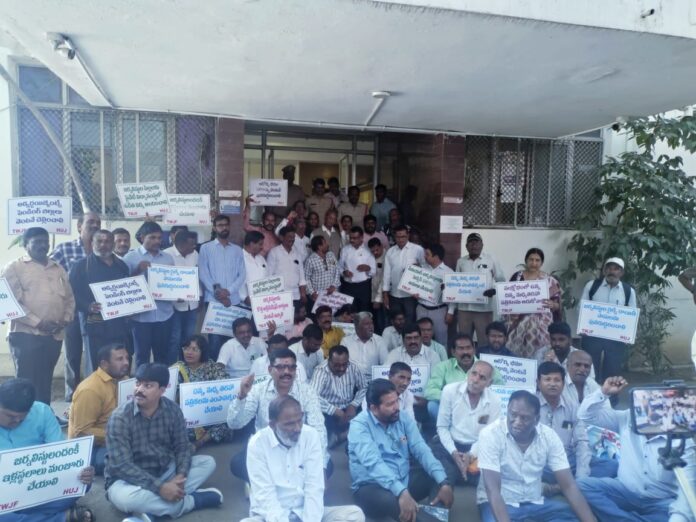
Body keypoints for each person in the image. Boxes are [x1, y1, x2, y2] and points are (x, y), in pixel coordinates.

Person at [105, 363, 221, 520]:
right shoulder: (120, 418)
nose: (139, 390)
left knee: (208, 463)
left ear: (162, 390)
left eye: (148, 386)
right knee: (127, 499)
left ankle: (153, 510)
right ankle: (191, 501)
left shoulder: (172, 410)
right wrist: (160, 488)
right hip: (128, 481)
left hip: (165, 472)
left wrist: (180, 476)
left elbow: (182, 447)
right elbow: (122, 466)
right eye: (137, 383)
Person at [577, 376, 696, 521]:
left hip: (661, 502)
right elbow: (585, 416)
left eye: (656, 406)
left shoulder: (682, 440)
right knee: (583, 486)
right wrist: (604, 392)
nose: (649, 411)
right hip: (625, 491)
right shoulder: (628, 417)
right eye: (642, 404)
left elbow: (687, 492)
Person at [477, 390, 597, 522]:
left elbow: (568, 485)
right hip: (502, 504)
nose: (517, 422)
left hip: (536, 503)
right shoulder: (491, 434)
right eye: (513, 415)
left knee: (573, 518)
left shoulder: (549, 436)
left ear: (537, 419)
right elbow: (493, 489)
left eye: (524, 418)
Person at [242, 396, 365, 522]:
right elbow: (265, 496)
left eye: (299, 420)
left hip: (303, 512)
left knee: (354, 514)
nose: (297, 428)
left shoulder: (310, 435)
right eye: (289, 424)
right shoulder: (257, 444)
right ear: (273, 425)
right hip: (271, 517)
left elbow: (314, 487)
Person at [348, 379, 454, 522]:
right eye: (389, 404)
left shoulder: (402, 417)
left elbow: (421, 449)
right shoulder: (359, 426)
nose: (396, 407)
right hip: (372, 487)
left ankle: (436, 514)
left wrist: (443, 482)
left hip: (403, 479)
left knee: (443, 472)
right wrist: (401, 492)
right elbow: (374, 463)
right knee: (392, 501)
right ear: (374, 408)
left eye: (396, 401)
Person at [0, 379, 95, 522]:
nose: (17, 421)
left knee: (82, 483)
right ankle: (62, 518)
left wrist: (82, 471)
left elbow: (61, 457)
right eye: (10, 416)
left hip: (39, 487)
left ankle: (32, 518)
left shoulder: (42, 412)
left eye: (23, 417)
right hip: (4, 495)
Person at [227, 348, 329, 482]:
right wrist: (242, 396)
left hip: (296, 445)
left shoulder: (307, 391)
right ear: (270, 370)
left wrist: (321, 466)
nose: (287, 372)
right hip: (267, 448)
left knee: (327, 467)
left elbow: (318, 427)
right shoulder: (258, 390)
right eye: (280, 367)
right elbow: (234, 424)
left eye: (291, 368)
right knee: (238, 464)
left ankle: (277, 481)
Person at [2, 227, 75, 406]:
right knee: (26, 383)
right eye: (37, 242)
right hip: (25, 335)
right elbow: (12, 303)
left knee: (45, 380)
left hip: (54, 334)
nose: (43, 245)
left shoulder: (58, 268)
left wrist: (65, 320)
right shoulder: (14, 268)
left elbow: (70, 299)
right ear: (26, 245)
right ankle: (23, 416)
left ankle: (43, 415)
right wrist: (38, 323)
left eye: (45, 242)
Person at [536, 362, 617, 493]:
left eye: (557, 380)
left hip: (567, 462)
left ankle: (561, 487)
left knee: (612, 466)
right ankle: (570, 487)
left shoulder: (573, 407)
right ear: (538, 383)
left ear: (563, 384)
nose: (552, 384)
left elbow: (582, 441)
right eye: (547, 379)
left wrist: (581, 476)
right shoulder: (530, 405)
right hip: (541, 463)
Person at [50, 211, 101, 402]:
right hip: (72, 310)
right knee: (72, 354)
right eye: (90, 222)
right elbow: (48, 271)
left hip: (95, 311)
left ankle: (90, 394)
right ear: (79, 226)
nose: (95, 225)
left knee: (93, 352)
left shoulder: (102, 250)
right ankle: (72, 396)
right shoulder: (65, 249)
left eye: (98, 222)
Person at [69, 229, 130, 371]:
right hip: (94, 324)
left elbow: (128, 292)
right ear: (92, 243)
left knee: (118, 364)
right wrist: (87, 306)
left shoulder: (121, 266)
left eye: (107, 241)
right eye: (99, 241)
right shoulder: (81, 266)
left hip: (118, 324)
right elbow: (71, 294)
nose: (103, 245)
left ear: (113, 244)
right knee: (95, 364)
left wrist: (131, 306)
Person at [431, 361, 500, 486]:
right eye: (474, 373)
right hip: (451, 444)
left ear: (489, 383)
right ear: (468, 374)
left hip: (478, 448)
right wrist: (453, 453)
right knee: (445, 474)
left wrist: (471, 455)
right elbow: (442, 427)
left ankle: (462, 472)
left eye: (482, 378)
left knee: (491, 476)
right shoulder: (450, 391)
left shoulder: (495, 400)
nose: (475, 380)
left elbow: (489, 436)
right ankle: (458, 473)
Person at [69, 343, 130, 475]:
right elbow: (82, 432)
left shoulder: (124, 379)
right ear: (104, 364)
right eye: (120, 359)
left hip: (117, 439)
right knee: (131, 458)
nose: (126, 362)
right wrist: (119, 436)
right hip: (90, 449)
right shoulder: (90, 389)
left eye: (126, 358)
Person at [123, 221, 176, 367]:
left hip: (164, 315)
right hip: (141, 318)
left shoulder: (168, 258)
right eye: (152, 237)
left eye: (159, 238)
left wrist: (178, 293)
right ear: (142, 237)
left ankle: (161, 381)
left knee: (162, 355)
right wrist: (137, 270)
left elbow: (173, 283)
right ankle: (142, 382)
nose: (157, 241)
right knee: (142, 356)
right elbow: (122, 286)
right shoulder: (130, 257)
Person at [580, 257, 637, 383]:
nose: (612, 272)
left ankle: (610, 394)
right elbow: (582, 308)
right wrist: (583, 327)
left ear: (621, 272)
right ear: (604, 271)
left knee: (613, 369)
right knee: (590, 367)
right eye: (609, 268)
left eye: (616, 269)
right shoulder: (592, 286)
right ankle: (590, 392)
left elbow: (631, 313)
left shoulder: (628, 291)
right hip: (592, 334)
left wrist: (627, 335)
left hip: (616, 337)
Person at [199, 214, 247, 359]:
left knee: (233, 340)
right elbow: (203, 274)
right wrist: (219, 294)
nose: (224, 227)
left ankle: (231, 369)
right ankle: (216, 370)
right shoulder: (206, 248)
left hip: (233, 301)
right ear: (214, 228)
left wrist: (229, 291)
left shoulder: (237, 250)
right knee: (215, 341)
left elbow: (242, 275)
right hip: (214, 302)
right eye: (220, 225)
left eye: (226, 224)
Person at [176, 335, 231, 450]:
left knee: (228, 422)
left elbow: (225, 388)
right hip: (186, 416)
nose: (189, 352)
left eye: (194, 349)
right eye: (186, 348)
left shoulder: (212, 367)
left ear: (203, 351)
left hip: (208, 414)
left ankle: (199, 442)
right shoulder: (177, 368)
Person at [505, 248, 563, 358]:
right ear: (526, 260)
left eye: (537, 260)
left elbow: (557, 305)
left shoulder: (549, 280)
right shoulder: (517, 277)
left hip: (541, 324)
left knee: (540, 354)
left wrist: (553, 305)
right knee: (515, 352)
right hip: (518, 321)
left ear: (542, 262)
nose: (534, 263)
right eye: (531, 259)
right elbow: (508, 296)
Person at [452, 233, 505, 346]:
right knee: (464, 341)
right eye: (471, 243)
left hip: (484, 309)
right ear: (466, 246)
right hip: (464, 309)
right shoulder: (461, 261)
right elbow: (455, 282)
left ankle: (482, 358)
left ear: (482, 245)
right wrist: (449, 289)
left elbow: (501, 281)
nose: (474, 245)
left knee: (484, 342)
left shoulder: (491, 260)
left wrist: (494, 290)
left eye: (476, 242)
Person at [311, 345, 367, 443]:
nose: (341, 368)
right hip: (328, 412)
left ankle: (342, 436)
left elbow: (364, 387)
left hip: (349, 408)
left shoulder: (354, 366)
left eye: (344, 364)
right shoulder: (321, 370)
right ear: (329, 361)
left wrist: (354, 405)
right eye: (336, 365)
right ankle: (345, 434)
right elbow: (312, 395)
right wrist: (333, 410)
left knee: (367, 416)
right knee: (321, 425)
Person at [163, 230, 200, 359]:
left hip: (192, 305)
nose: (194, 246)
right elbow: (162, 280)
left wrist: (200, 296)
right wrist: (173, 296)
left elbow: (197, 276)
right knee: (175, 338)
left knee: (189, 338)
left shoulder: (195, 254)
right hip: (174, 307)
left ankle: (186, 365)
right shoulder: (166, 255)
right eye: (191, 244)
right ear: (182, 244)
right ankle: (173, 366)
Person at [425, 333, 477, 421]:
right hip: (452, 411)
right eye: (461, 348)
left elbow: (499, 390)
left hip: (477, 409)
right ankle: (446, 428)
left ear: (474, 349)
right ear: (453, 352)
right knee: (432, 405)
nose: (465, 352)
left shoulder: (486, 367)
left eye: (468, 348)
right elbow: (429, 391)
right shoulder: (443, 367)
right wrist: (454, 397)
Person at [413, 244, 455, 348]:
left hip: (439, 311)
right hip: (422, 308)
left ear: (436, 257)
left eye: (427, 254)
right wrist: (414, 293)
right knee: (420, 338)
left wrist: (450, 312)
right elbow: (414, 286)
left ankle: (441, 358)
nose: (424, 256)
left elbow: (453, 295)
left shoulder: (448, 272)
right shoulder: (421, 269)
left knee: (441, 340)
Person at [382, 225, 425, 323]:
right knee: (396, 321)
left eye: (403, 236)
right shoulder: (390, 252)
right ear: (394, 237)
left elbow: (426, 269)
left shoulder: (418, 249)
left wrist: (417, 267)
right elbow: (386, 274)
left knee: (410, 321)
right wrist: (385, 295)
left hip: (411, 295)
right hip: (394, 294)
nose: (400, 239)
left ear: (408, 236)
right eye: (398, 237)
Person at [267, 225, 308, 306]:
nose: (292, 239)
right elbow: (269, 276)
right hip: (279, 296)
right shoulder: (274, 252)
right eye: (289, 237)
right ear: (281, 238)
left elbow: (302, 277)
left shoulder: (297, 254)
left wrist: (303, 294)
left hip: (295, 295)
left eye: (293, 237)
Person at [342, 311, 389, 381]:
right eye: (367, 324)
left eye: (371, 323)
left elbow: (385, 365)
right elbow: (342, 364)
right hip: (352, 380)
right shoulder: (346, 341)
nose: (371, 326)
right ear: (357, 326)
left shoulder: (379, 341)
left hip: (374, 381)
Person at [339, 226, 376, 313]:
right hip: (348, 286)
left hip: (364, 287)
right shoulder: (345, 250)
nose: (352, 240)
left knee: (364, 312)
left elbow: (373, 271)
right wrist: (344, 272)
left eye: (355, 238)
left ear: (361, 237)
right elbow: (339, 266)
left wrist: (367, 268)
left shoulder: (368, 250)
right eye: (350, 238)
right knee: (349, 312)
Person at [304, 235, 341, 307]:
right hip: (318, 297)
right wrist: (312, 293)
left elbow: (337, 270)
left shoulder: (331, 255)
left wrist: (334, 285)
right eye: (325, 243)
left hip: (333, 295)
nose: (327, 244)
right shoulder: (310, 260)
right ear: (319, 246)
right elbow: (306, 278)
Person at [239, 230, 267, 304]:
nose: (262, 247)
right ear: (251, 244)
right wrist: (244, 297)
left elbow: (268, 277)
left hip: (263, 301)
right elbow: (234, 280)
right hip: (246, 302)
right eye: (260, 244)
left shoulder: (261, 258)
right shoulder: (239, 258)